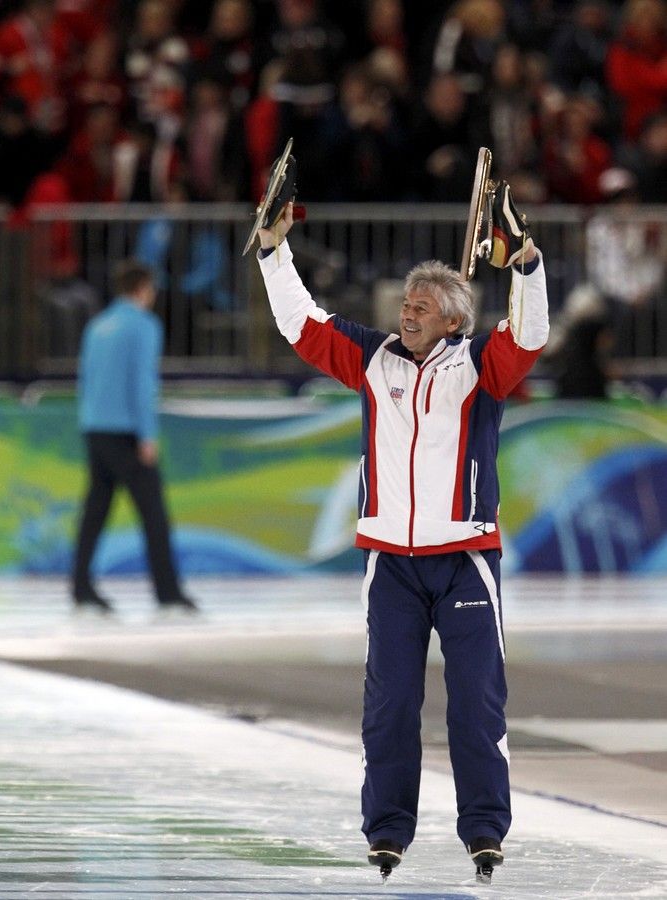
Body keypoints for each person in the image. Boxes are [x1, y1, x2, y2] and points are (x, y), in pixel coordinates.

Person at [256, 183, 548, 880]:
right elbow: (302, 324)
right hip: (389, 561)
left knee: (475, 705)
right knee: (388, 706)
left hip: (466, 558)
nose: (404, 313)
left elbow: (529, 334)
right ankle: (386, 831)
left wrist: (525, 263)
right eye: (403, 304)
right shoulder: (372, 358)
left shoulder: (480, 367)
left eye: (419, 307)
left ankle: (484, 830)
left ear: (451, 321)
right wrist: (272, 251)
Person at [72, 258, 197, 613]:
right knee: (153, 513)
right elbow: (143, 384)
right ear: (143, 288)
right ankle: (168, 592)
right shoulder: (143, 326)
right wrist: (147, 435)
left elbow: (86, 378)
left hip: (95, 427)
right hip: (126, 431)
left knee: (95, 511)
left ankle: (81, 587)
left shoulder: (97, 325)